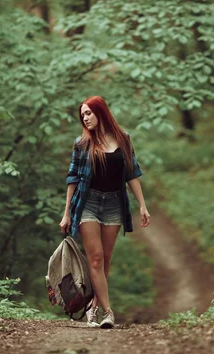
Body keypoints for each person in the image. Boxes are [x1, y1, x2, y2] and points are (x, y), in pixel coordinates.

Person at [59, 96, 150, 329]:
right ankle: (108, 312)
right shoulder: (81, 144)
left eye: (88, 113)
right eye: (82, 115)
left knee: (105, 259)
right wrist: (67, 213)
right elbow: (73, 178)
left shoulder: (123, 139)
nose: (85, 118)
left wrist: (142, 205)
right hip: (87, 202)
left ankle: (93, 308)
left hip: (114, 205)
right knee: (96, 257)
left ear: (101, 112)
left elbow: (132, 173)